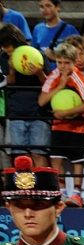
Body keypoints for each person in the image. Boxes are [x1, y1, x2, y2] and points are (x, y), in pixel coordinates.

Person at [38, 42, 84, 208]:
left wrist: (67, 112)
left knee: (78, 160)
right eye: (59, 62)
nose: (62, 66)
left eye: (66, 63)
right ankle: (60, 192)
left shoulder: (78, 78)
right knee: (56, 160)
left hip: (78, 127)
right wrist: (61, 86)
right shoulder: (53, 77)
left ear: (73, 61)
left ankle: (76, 194)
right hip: (58, 127)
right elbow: (42, 101)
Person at [0, 24, 49, 169]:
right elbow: (7, 82)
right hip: (15, 113)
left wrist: (39, 73)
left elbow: (49, 84)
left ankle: (42, 190)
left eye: (7, 45)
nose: (5, 49)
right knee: (21, 157)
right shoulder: (3, 58)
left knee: (38, 154)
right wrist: (12, 70)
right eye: (3, 46)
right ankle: (24, 190)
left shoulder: (38, 55)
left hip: (39, 113)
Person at [32, 0, 78, 68]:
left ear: (58, 7)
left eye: (48, 6)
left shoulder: (70, 30)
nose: (44, 10)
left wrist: (54, 57)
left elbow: (78, 57)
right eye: (41, 6)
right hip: (44, 76)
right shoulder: (37, 29)